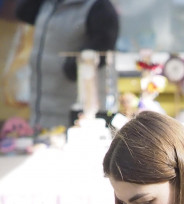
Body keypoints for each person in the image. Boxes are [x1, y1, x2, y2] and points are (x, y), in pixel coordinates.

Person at [15, 0, 120, 130]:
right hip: (42, 111)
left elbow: (102, 48)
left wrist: (70, 67)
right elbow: (23, 12)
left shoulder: (99, 7)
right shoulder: (50, 4)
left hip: (76, 115)